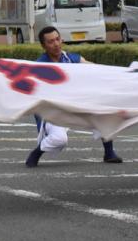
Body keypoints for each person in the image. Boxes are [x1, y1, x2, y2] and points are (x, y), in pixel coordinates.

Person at [24, 26, 123, 168]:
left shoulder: (71, 58)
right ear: (43, 45)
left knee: (104, 115)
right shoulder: (40, 65)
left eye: (58, 39)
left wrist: (118, 74)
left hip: (74, 107)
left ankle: (109, 153)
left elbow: (93, 68)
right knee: (60, 140)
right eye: (51, 41)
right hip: (53, 113)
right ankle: (37, 152)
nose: (56, 44)